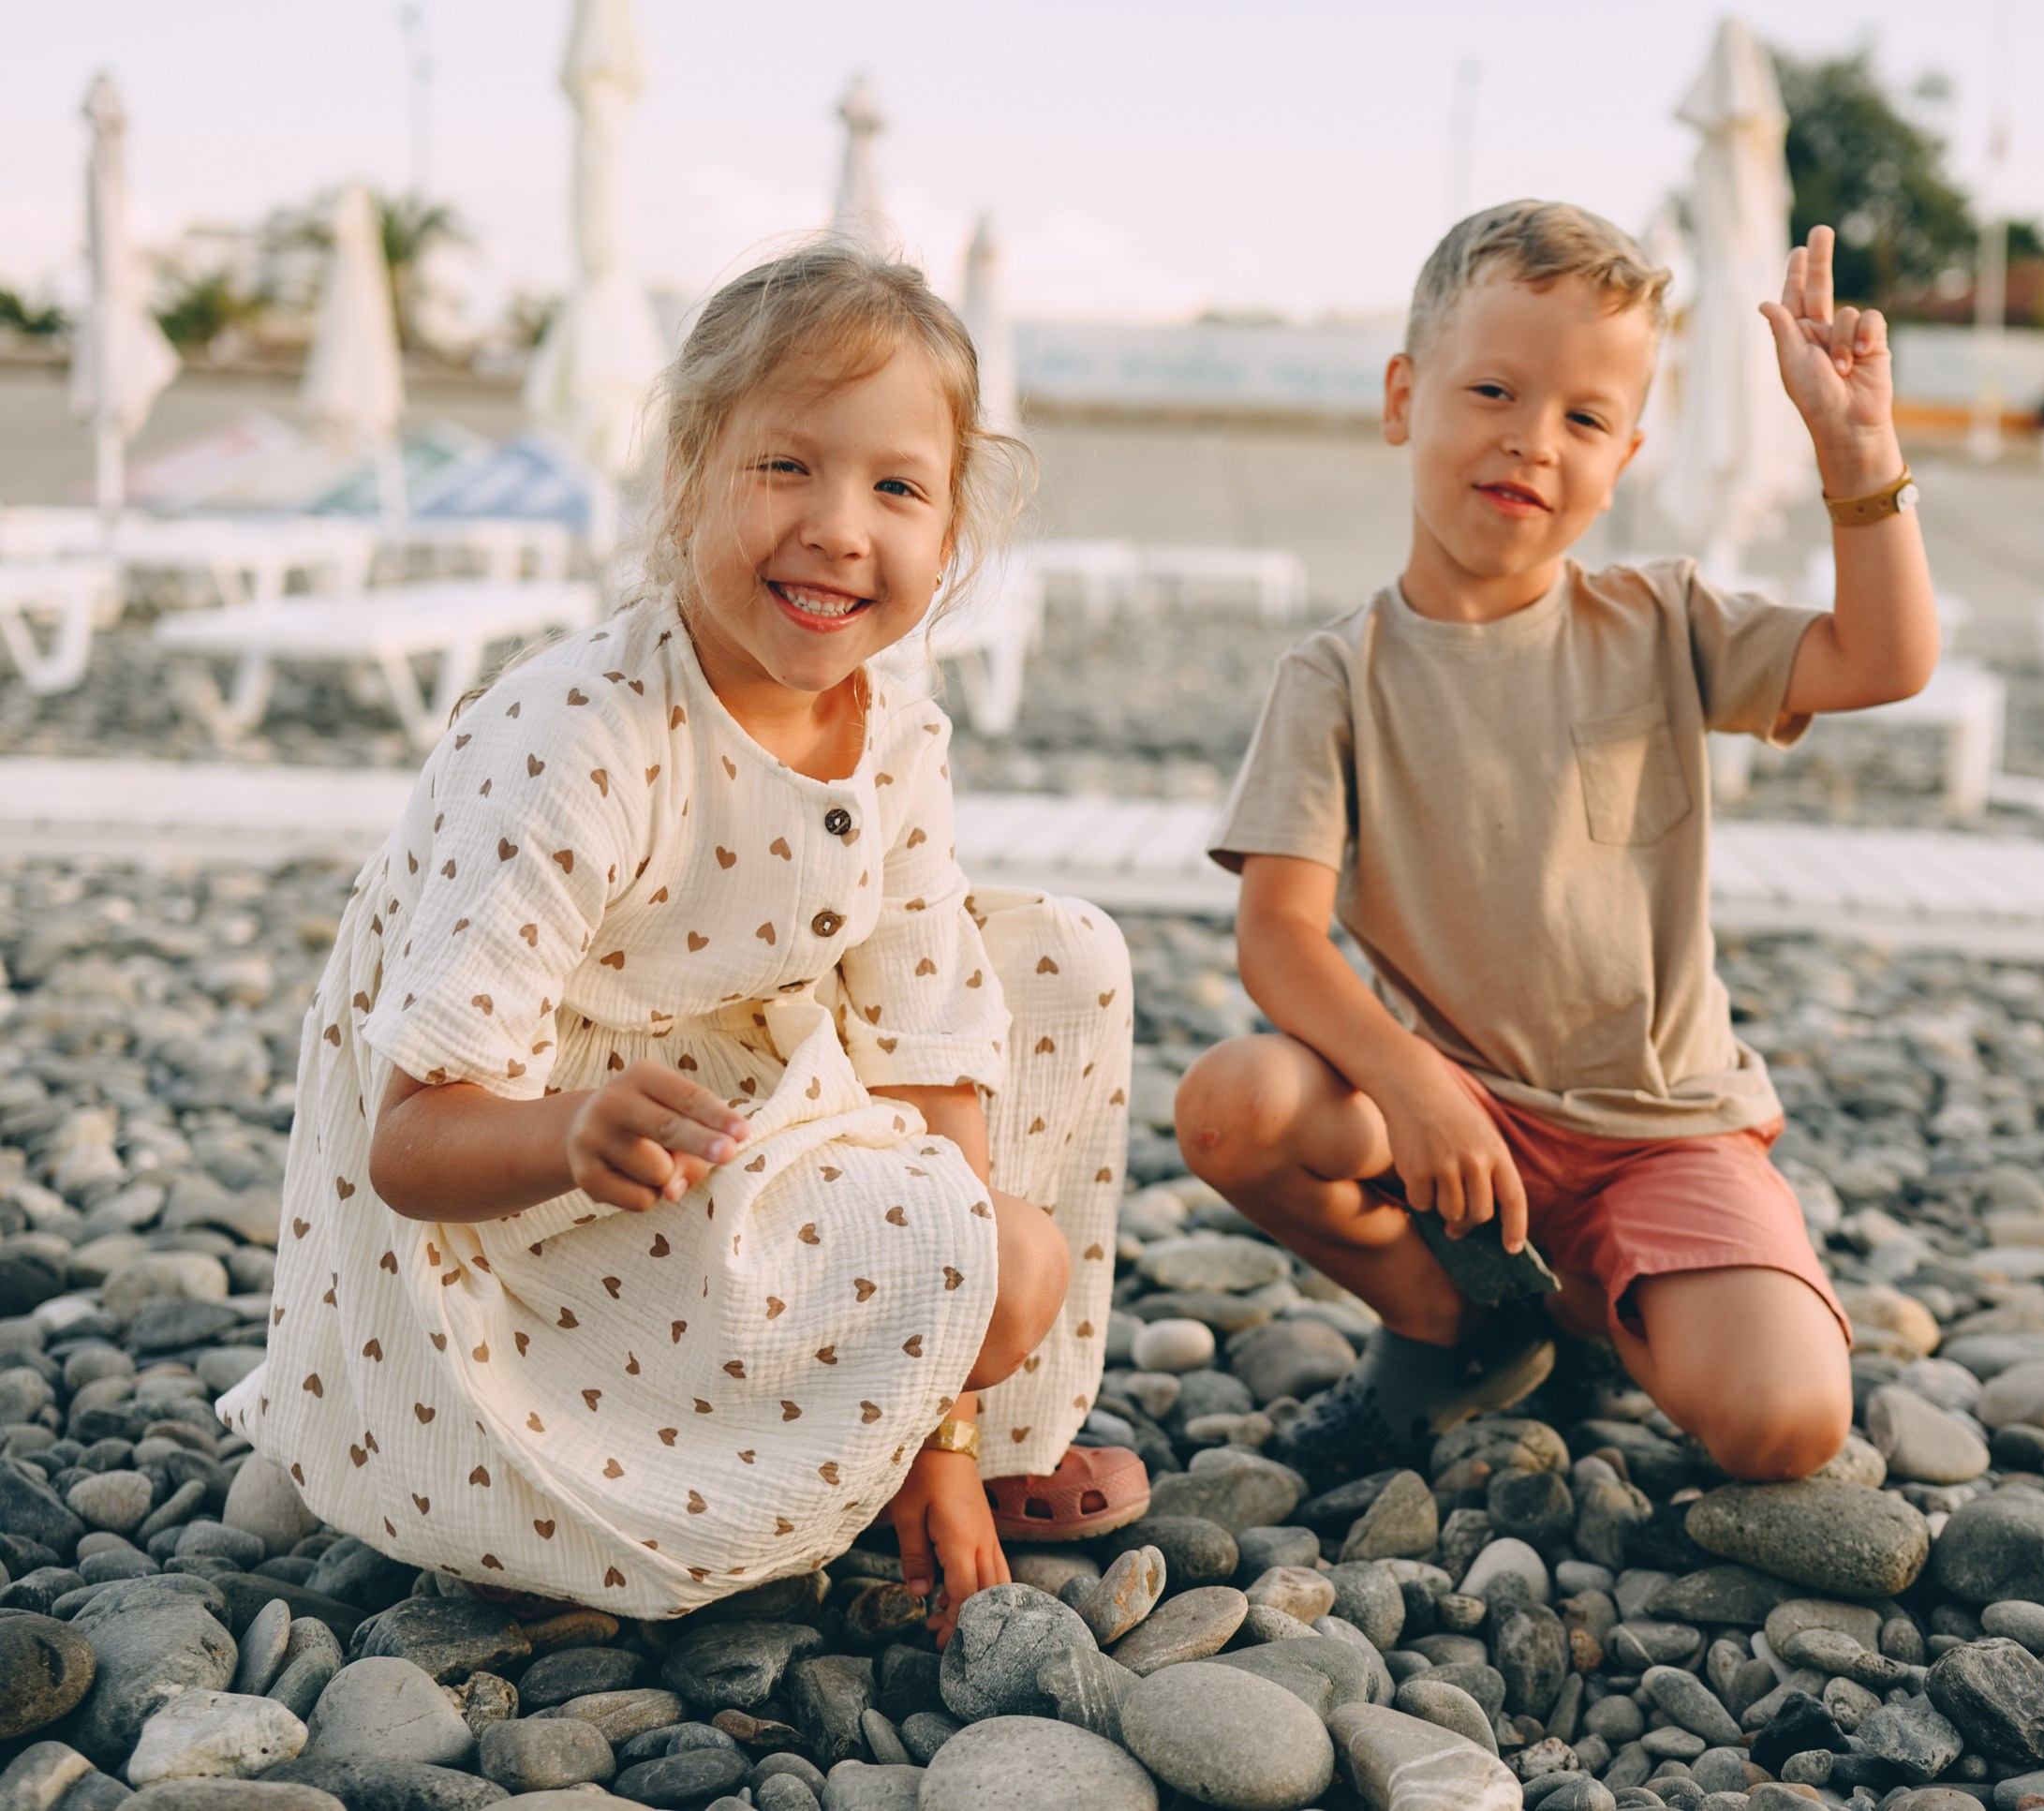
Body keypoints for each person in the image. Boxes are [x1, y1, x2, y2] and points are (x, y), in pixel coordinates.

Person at [220, 243, 1146, 1638]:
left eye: (896, 487)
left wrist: (947, 1409)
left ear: (950, 536)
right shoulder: (578, 741)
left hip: (760, 1091)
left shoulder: (895, 729)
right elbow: (406, 1144)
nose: (842, 528)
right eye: (788, 468)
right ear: (687, 474)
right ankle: (598, 1481)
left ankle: (969, 1448)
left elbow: (933, 1039)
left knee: (1065, 959)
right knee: (1005, 1257)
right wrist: (572, 1128)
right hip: (546, 1191)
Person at [1175, 202, 1938, 1483]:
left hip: (1668, 1126)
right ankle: (1451, 1320)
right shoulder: (1335, 677)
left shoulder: (1663, 619)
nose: (1533, 439)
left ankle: (1588, 1313)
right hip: (1457, 1119)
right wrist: (1413, 1083)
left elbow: (1886, 658)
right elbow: (1278, 935)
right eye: (1492, 390)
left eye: (1585, 418)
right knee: (1233, 1107)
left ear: (1625, 455)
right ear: (1404, 398)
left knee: (1787, 1424)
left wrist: (1860, 456)